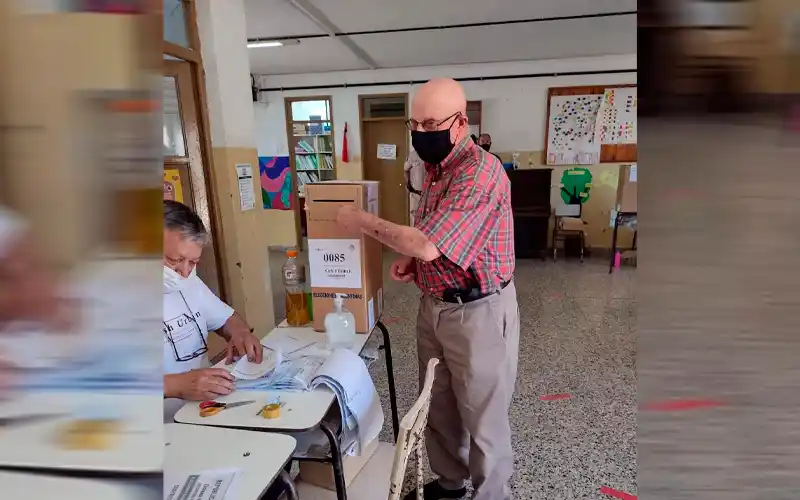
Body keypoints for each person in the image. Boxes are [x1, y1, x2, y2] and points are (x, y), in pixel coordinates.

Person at [335, 78, 519, 500]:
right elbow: (430, 238)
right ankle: (451, 484)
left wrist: (362, 221)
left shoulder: (480, 173)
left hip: (479, 313)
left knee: (484, 417)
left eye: (432, 122)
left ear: (460, 123)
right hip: (434, 306)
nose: (421, 132)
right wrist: (414, 262)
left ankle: (493, 495)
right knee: (438, 404)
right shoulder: (437, 171)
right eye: (414, 123)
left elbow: (428, 243)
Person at [162, 200, 263, 421]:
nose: (184, 272)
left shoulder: (189, 282)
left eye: (193, 262)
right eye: (175, 260)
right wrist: (174, 385)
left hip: (202, 413)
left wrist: (240, 334)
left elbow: (227, 318)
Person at [404, 147, 425, 225]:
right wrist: (407, 183)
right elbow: (405, 169)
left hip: (431, 195)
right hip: (416, 194)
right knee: (414, 218)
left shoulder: (437, 153)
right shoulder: (413, 154)